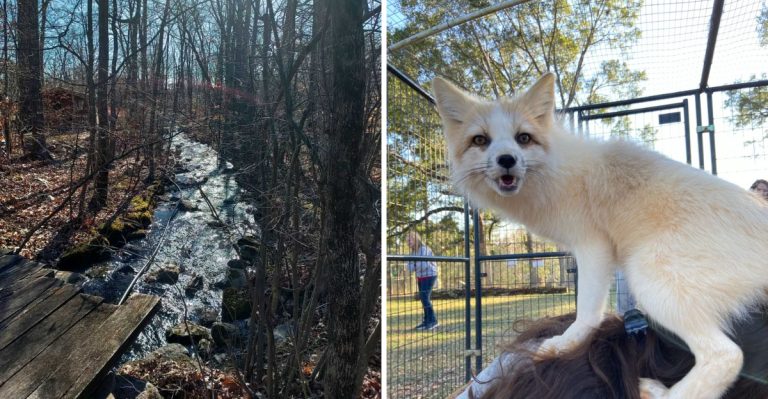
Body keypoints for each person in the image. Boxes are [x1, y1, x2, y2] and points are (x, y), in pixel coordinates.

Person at [406, 231, 439, 330]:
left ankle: (433, 321)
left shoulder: (424, 249)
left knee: (425, 298)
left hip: (430, 276)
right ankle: (426, 321)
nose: (408, 242)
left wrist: (414, 264)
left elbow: (423, 265)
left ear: (416, 239)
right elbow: (410, 268)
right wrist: (416, 264)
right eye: (407, 240)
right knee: (423, 299)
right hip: (420, 277)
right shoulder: (412, 253)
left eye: (410, 239)